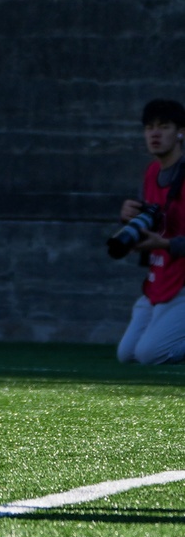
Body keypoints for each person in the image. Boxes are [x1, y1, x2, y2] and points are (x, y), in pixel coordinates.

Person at [115, 98, 185, 364]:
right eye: (149, 127)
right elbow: (156, 221)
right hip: (160, 277)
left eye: (164, 126)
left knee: (149, 354)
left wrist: (165, 245)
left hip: (182, 279)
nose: (154, 133)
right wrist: (128, 216)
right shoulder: (152, 172)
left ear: (181, 132)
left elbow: (166, 237)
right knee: (127, 354)